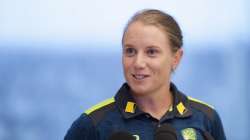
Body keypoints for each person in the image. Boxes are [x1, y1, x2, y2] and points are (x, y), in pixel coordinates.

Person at [64, 9, 226, 140]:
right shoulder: (93, 124)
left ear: (176, 58)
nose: (138, 63)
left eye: (151, 52)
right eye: (130, 51)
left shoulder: (206, 118)